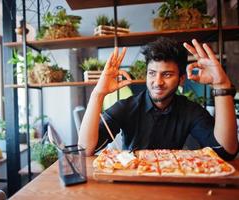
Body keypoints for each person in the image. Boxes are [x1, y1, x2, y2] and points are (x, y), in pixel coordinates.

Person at [78, 37, 238, 160]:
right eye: (152, 73)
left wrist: (221, 85)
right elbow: (85, 149)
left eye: (167, 74)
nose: (158, 82)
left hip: (172, 180)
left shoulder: (190, 110)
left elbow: (225, 151)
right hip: (131, 179)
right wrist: (97, 94)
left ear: (182, 79)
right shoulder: (126, 107)